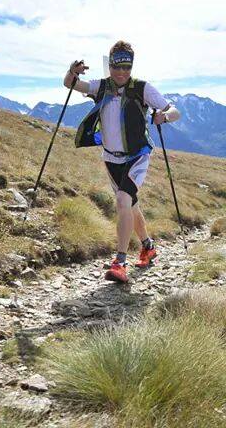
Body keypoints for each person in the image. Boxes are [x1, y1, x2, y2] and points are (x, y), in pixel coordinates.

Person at [65, 41, 180, 283]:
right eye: (117, 66)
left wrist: (164, 117)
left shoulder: (142, 88)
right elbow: (71, 84)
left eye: (126, 67)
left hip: (137, 156)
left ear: (131, 65)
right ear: (110, 64)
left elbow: (174, 111)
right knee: (130, 204)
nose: (121, 72)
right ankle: (148, 246)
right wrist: (72, 71)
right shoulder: (102, 86)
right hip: (110, 159)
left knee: (122, 200)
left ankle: (120, 262)